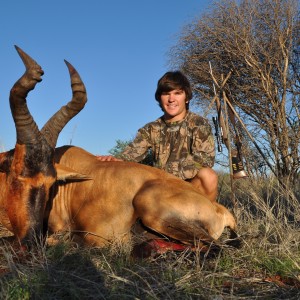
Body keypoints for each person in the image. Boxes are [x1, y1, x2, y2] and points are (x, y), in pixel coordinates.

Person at [97, 71, 218, 202]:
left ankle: (206, 219)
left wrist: (164, 173)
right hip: (159, 189)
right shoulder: (150, 128)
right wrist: (113, 160)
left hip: (188, 189)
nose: (171, 99)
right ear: (160, 98)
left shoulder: (199, 124)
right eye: (166, 94)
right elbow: (130, 155)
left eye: (177, 93)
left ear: (186, 97)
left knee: (208, 176)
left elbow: (205, 159)